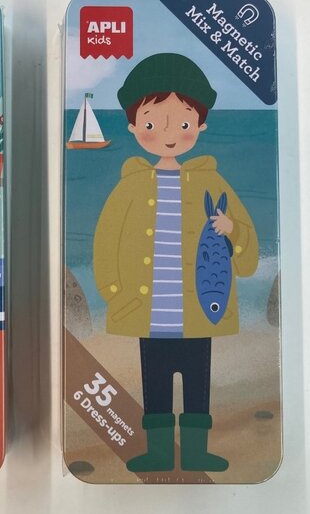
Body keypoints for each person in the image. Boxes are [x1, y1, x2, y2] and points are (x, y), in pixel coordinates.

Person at [93, 53, 258, 472]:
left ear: (200, 126)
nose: (168, 135)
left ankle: (198, 452)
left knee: (198, 382)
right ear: (133, 126)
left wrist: (232, 229)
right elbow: (107, 241)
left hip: (200, 310)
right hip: (148, 313)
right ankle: (160, 453)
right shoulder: (130, 186)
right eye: (152, 124)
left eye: (182, 124)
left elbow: (249, 255)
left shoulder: (211, 182)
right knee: (156, 385)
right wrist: (114, 293)